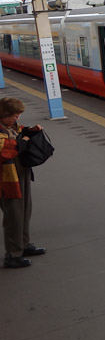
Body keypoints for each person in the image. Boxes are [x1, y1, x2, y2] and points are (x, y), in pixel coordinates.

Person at [0, 97, 46, 269]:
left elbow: (19, 131)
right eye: (14, 115)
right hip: (7, 180)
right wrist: (22, 142)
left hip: (21, 173)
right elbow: (5, 151)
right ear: (3, 115)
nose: (17, 119)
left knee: (25, 211)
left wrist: (30, 131)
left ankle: (23, 246)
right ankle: (13, 255)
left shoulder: (9, 125)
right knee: (14, 217)